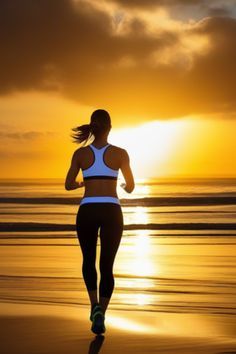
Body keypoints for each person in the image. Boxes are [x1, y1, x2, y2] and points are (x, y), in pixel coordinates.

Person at [65, 109, 135, 335]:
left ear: (92, 127)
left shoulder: (80, 154)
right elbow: (131, 186)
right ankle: (101, 313)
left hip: (87, 210)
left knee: (88, 260)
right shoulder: (121, 153)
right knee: (107, 266)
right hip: (112, 211)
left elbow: (68, 184)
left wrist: (82, 185)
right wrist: (123, 187)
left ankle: (93, 304)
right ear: (110, 127)